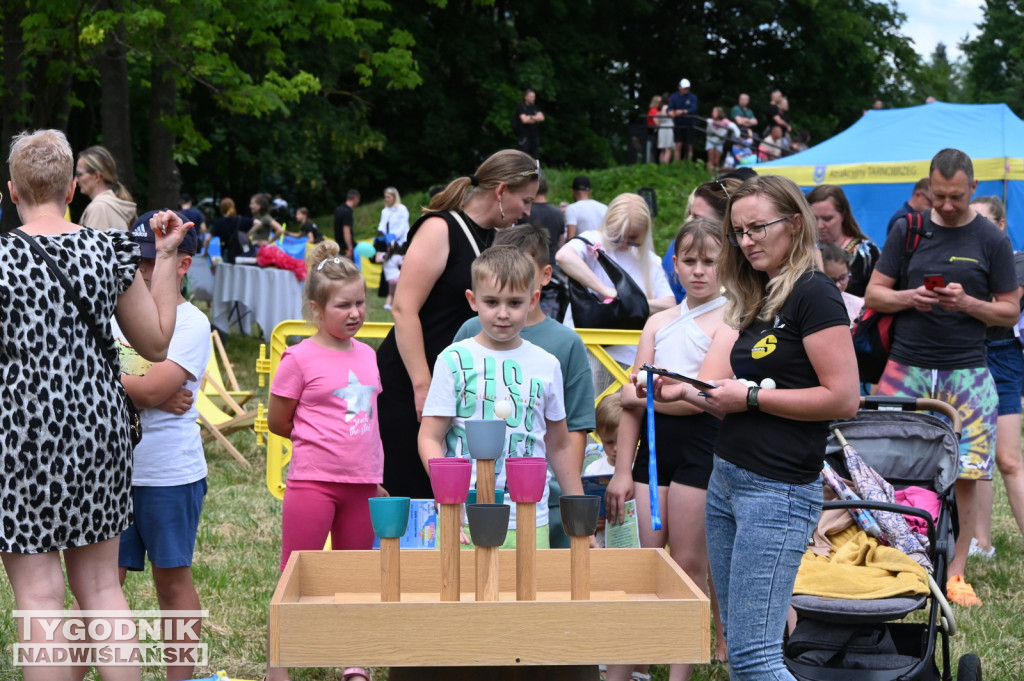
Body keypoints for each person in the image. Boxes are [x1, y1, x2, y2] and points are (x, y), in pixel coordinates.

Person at [650, 174, 860, 679]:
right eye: (738, 232)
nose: (746, 242)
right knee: (742, 652)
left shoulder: (815, 293)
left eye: (757, 228)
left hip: (779, 489)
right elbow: (733, 395)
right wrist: (680, 389)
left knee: (754, 657)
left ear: (793, 224)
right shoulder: (758, 293)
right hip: (727, 478)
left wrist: (749, 396)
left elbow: (844, 398)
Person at [2, 129, 190, 681]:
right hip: (98, 426)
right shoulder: (106, 250)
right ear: (69, 190)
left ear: (13, 191)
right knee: (104, 589)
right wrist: (167, 256)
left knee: (38, 597)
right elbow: (155, 343)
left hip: (21, 430)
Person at [865, 148, 1020, 607]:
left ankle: (956, 574)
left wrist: (969, 304)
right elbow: (875, 291)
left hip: (968, 370)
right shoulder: (907, 229)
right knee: (885, 464)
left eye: (956, 196)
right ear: (928, 188)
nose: (947, 204)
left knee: (968, 473)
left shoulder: (990, 239)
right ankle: (892, 560)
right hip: (906, 367)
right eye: (939, 195)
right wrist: (912, 297)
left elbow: (1010, 308)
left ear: (973, 189)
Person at [605, 218, 729, 681]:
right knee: (642, 565)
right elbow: (628, 399)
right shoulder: (658, 322)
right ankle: (623, 669)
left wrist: (660, 392)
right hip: (651, 452)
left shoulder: (728, 320)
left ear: (726, 265)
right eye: (690, 261)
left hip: (703, 449)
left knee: (690, 563)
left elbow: (704, 400)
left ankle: (680, 673)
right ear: (674, 265)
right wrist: (621, 471)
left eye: (709, 261)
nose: (699, 271)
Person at [377, 150, 540, 500]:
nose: (528, 211)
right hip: (410, 382)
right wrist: (422, 385)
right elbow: (404, 308)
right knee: (409, 490)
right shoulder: (441, 228)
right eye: (524, 200)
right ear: (501, 192)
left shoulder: (491, 240)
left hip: (455, 383)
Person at [266, 240, 382, 681]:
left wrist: (374, 476)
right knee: (296, 574)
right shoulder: (298, 358)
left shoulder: (369, 356)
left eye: (359, 303)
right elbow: (280, 421)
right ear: (316, 308)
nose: (354, 313)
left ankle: (354, 659)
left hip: (362, 485)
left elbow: (368, 422)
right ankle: (279, 666)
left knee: (356, 577)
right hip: (313, 483)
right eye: (342, 305)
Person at [419, 246, 586, 547]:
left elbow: (559, 445)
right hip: (463, 519)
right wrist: (448, 499)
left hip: (529, 520)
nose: (503, 313)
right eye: (492, 302)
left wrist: (579, 518)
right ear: (473, 300)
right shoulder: (453, 359)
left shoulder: (548, 364)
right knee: (460, 594)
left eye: (515, 302)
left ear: (533, 300)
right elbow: (430, 437)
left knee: (526, 594)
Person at [112, 212, 210, 681]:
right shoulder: (111, 313)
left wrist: (119, 383)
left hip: (169, 474)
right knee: (100, 587)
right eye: (134, 263)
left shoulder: (191, 322)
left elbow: (154, 391)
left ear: (182, 265)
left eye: (150, 263)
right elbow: (151, 389)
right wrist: (144, 385)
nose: (138, 273)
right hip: (111, 473)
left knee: (171, 582)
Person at [453, 224, 596, 541]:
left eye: (520, 268)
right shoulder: (465, 338)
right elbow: (444, 427)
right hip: (473, 503)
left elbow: (570, 431)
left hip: (542, 503)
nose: (508, 276)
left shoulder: (562, 346)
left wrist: (570, 501)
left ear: (543, 278)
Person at [556, 192, 675, 367]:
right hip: (584, 353)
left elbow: (670, 305)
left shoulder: (650, 260)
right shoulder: (593, 241)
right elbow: (564, 256)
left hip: (628, 359)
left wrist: (629, 303)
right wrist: (607, 291)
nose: (625, 243)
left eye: (633, 237)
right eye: (618, 234)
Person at [969, 196, 1024, 560]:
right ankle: (980, 542)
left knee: (1007, 458)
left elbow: (1003, 313)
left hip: (1002, 358)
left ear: (1001, 225)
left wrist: (958, 304)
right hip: (968, 356)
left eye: (983, 220)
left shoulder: (1017, 261)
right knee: (975, 457)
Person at [807, 184, 880, 297]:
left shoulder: (867, 254)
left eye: (827, 219)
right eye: (814, 218)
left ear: (843, 215)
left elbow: (879, 295)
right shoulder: (804, 251)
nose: (819, 225)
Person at [523, 175, 567, 319]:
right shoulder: (558, 213)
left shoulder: (525, 212)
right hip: (551, 268)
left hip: (526, 268)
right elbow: (561, 242)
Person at [76, 144, 137, 231]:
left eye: (79, 174)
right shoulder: (112, 205)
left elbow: (93, 244)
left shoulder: (98, 208)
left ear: (97, 176)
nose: (76, 180)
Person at [819, 241, 863, 324]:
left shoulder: (859, 306)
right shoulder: (808, 306)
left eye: (842, 278)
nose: (838, 285)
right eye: (831, 280)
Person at [205, 197, 255, 264]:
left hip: (227, 253)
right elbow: (258, 223)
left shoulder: (219, 222)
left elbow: (208, 239)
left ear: (221, 209)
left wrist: (206, 251)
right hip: (242, 253)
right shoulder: (241, 219)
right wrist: (247, 235)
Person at [565, 175, 608, 240]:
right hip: (602, 248)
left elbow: (570, 238)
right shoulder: (604, 207)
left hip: (582, 248)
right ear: (590, 191)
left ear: (572, 191)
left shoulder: (572, 208)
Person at [668, 78, 699, 162]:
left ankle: (688, 164)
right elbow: (669, 108)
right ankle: (677, 164)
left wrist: (682, 111)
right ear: (679, 87)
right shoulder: (674, 97)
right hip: (678, 124)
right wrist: (671, 113)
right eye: (685, 88)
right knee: (678, 144)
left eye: (687, 88)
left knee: (689, 145)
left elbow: (693, 108)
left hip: (689, 124)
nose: (686, 90)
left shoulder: (692, 97)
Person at [705, 106, 740, 173]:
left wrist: (737, 135)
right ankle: (708, 176)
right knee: (711, 160)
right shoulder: (710, 121)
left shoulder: (725, 121)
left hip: (719, 143)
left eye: (714, 112)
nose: (712, 113)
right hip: (710, 141)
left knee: (716, 161)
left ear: (719, 113)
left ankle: (715, 177)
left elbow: (733, 127)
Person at [513, 88, 545, 158]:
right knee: (523, 156)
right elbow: (524, 120)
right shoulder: (521, 107)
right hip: (524, 137)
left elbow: (542, 118)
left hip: (534, 136)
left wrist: (530, 117)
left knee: (535, 157)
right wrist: (535, 118)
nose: (533, 98)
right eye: (531, 97)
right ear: (526, 97)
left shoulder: (536, 108)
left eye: (534, 97)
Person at [334, 188, 360, 258]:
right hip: (345, 249)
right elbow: (346, 231)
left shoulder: (339, 209)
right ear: (355, 198)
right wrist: (350, 249)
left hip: (338, 246)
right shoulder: (347, 212)